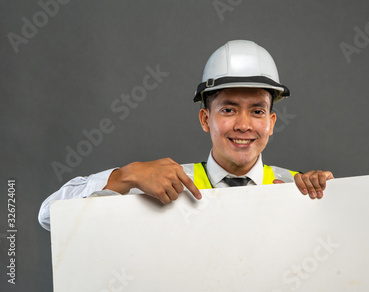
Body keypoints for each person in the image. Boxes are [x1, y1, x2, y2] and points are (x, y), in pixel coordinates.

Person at [38, 40, 334, 231]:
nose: (244, 125)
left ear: (271, 122)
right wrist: (125, 177)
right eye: (229, 110)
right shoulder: (167, 186)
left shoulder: (296, 188)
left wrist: (332, 201)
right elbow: (50, 216)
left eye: (256, 112)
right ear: (206, 119)